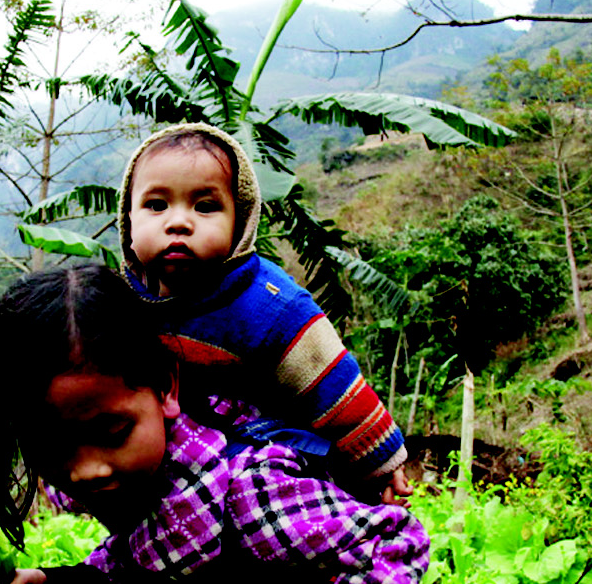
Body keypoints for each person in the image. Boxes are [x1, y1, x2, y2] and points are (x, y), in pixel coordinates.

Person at [0, 264, 429, 584]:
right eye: (51, 446)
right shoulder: (142, 483)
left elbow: (397, 544)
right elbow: (136, 566)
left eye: (113, 432)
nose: (87, 469)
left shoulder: (251, 490)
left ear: (166, 388)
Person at [118, 123, 412, 504]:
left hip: (268, 464)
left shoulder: (268, 303)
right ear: (128, 219)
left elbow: (332, 381)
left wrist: (382, 463)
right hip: (178, 472)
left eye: (205, 207)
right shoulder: (122, 302)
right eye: (156, 205)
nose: (177, 222)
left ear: (240, 220)